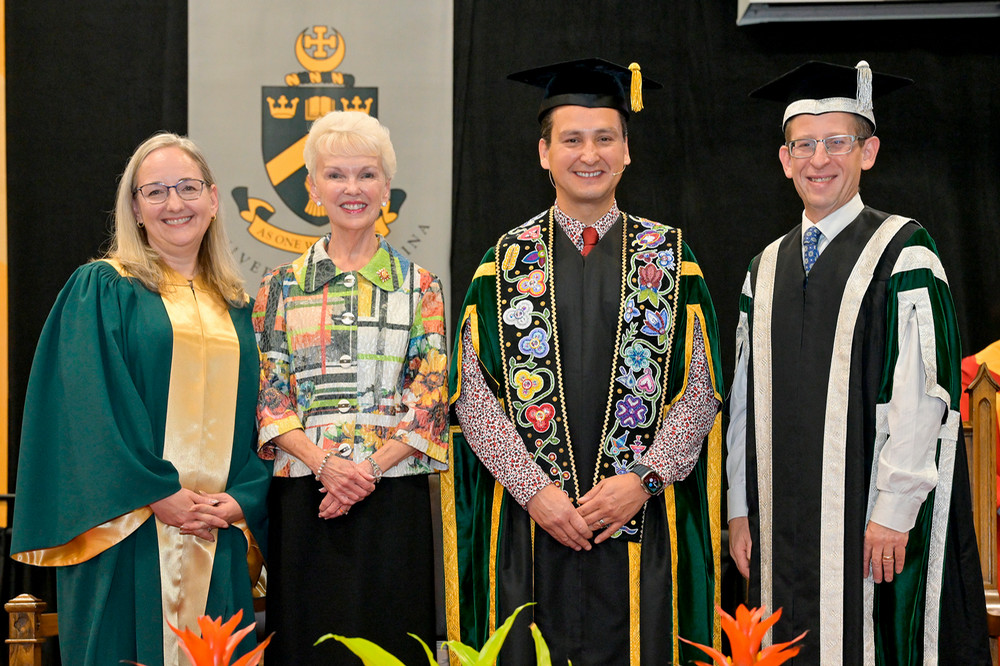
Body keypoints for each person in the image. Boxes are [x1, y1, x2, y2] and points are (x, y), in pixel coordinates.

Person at [444, 58, 724, 665]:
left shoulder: (673, 260)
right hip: (529, 529)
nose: (588, 153)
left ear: (627, 151)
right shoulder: (503, 263)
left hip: (641, 524)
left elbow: (701, 392)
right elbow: (472, 394)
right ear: (544, 152)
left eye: (605, 138)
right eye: (571, 139)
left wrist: (643, 479)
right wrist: (534, 490)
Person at [726, 60, 989, 664]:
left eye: (837, 142)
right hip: (777, 524)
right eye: (804, 144)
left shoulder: (904, 251)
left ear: (868, 151)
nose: (820, 159)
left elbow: (923, 396)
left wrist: (895, 512)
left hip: (869, 525)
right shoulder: (763, 269)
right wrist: (740, 509)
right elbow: (743, 402)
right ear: (785, 159)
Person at [10, 132, 270, 666]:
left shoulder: (241, 308)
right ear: (135, 207)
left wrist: (245, 497)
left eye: (188, 188)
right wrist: (156, 492)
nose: (175, 203)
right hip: (126, 529)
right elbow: (84, 410)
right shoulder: (103, 288)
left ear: (214, 199)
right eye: (155, 191)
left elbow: (268, 414)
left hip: (217, 532)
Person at [254, 110, 448, 664]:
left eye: (366, 175)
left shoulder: (422, 287)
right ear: (313, 189)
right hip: (305, 497)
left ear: (387, 187)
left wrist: (364, 471)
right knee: (307, 641)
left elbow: (430, 400)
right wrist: (328, 467)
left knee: (392, 639)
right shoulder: (279, 286)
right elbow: (271, 399)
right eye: (336, 175)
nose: (352, 189)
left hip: (393, 495)